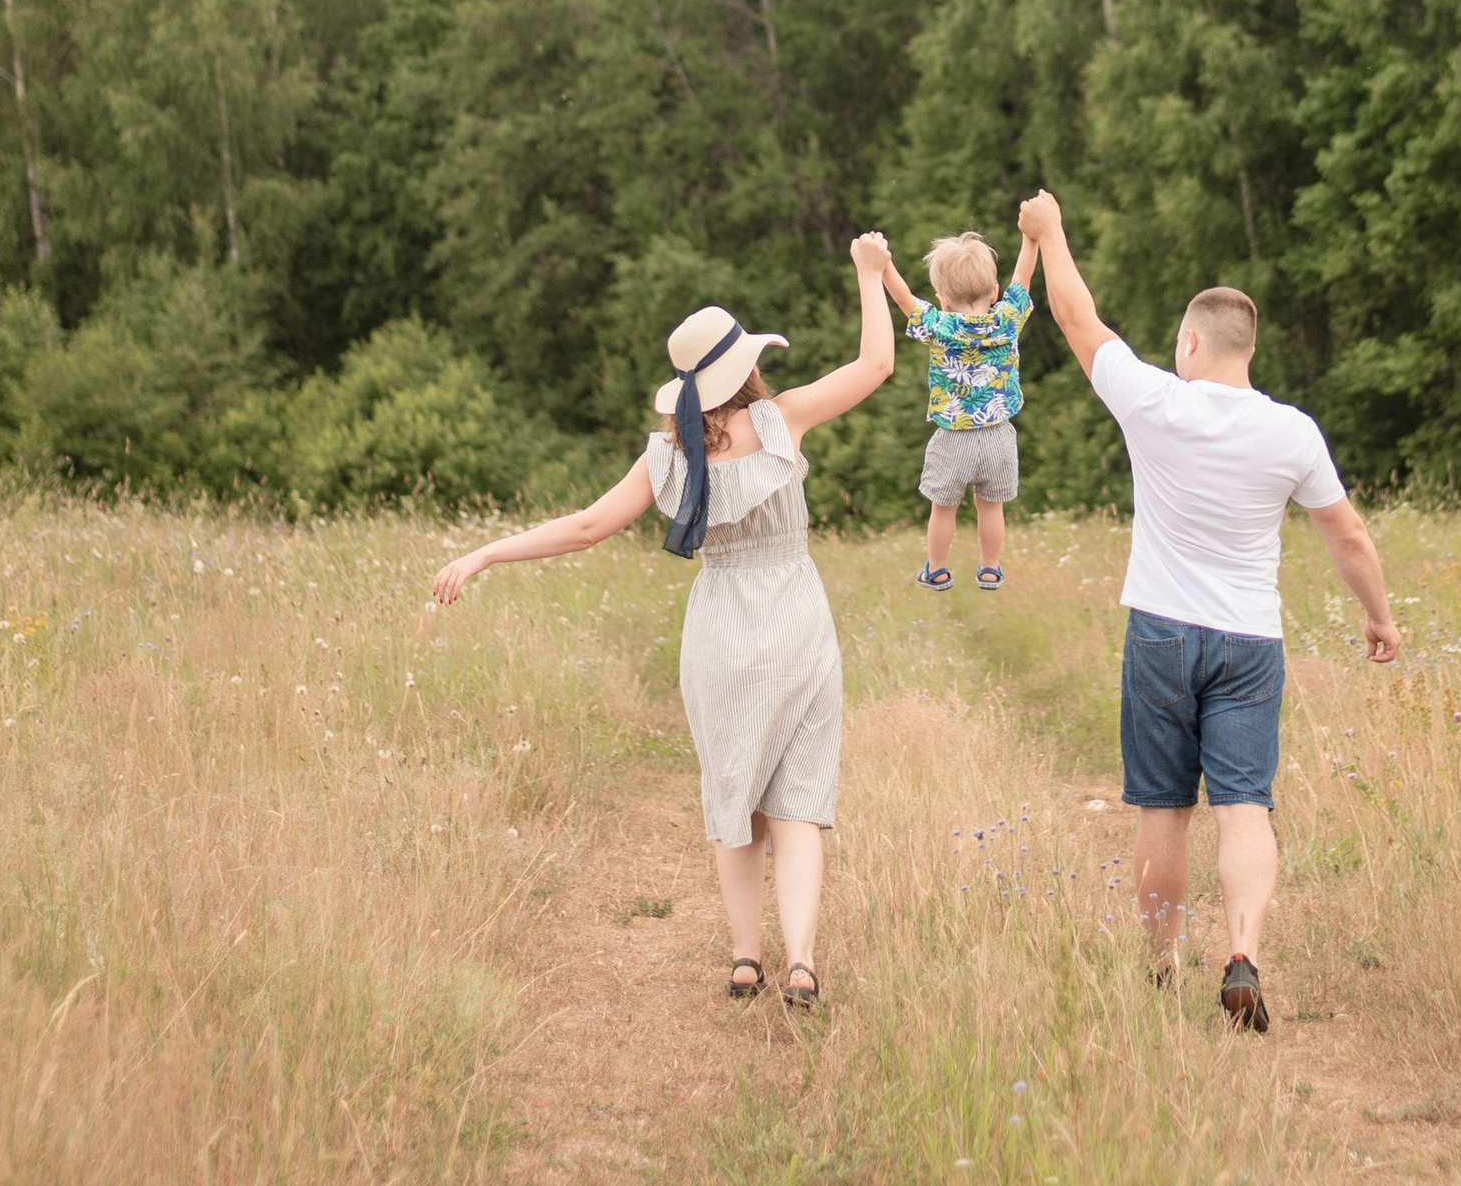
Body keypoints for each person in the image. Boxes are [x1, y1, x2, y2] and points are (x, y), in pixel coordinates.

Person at [431, 234, 898, 1009]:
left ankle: (747, 958)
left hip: (719, 629)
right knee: (798, 797)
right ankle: (804, 961)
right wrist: (868, 276)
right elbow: (876, 365)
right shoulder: (782, 420)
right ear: (747, 367)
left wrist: (484, 554)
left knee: (733, 795)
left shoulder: (666, 456)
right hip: (794, 619)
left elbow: (583, 527)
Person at [1015, 188, 1397, 1032]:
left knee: (1162, 810)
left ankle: (1158, 967)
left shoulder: (1156, 401)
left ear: (1190, 343)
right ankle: (1244, 955)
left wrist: (1051, 233)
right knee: (1244, 807)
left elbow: (1077, 318)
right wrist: (1378, 617)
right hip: (1249, 641)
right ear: (1247, 350)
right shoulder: (1293, 432)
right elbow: (1350, 540)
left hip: (1159, 632)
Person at [877, 222, 1040, 592]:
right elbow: (1024, 276)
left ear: (942, 298)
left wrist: (883, 264)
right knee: (991, 507)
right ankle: (989, 568)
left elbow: (904, 299)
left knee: (943, 508)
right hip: (999, 435)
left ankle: (937, 569)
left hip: (953, 439)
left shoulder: (940, 325)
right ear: (995, 291)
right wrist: (1031, 237)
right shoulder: (1007, 319)